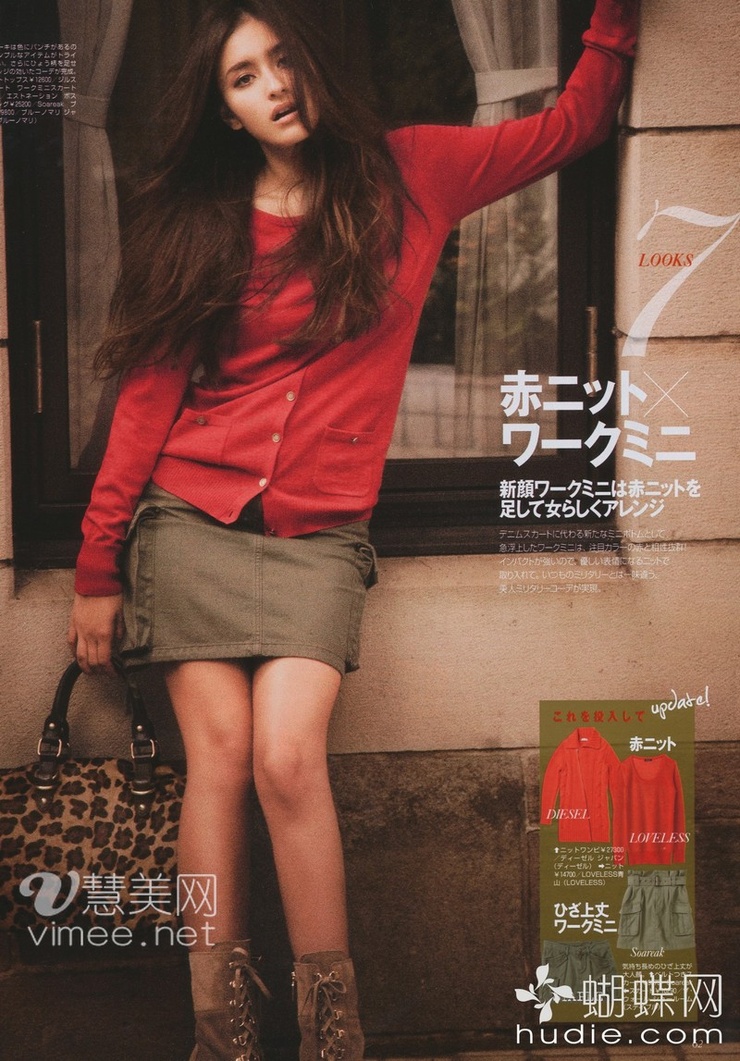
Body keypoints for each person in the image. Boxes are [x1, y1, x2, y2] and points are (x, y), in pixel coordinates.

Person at [66, 1, 639, 1058]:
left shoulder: (409, 174)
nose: (273, 85)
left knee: (288, 756)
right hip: (190, 522)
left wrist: (613, 18)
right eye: (244, 77)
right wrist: (98, 565)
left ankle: (335, 1032)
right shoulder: (202, 221)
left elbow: (572, 126)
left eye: (282, 59)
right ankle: (222, 1032)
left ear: (313, 64)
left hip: (321, 535)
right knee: (220, 757)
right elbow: (146, 403)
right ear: (226, 112)